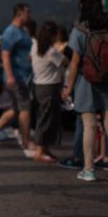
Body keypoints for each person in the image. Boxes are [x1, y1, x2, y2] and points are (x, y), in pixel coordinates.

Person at [62, 0, 108, 183]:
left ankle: (88, 170)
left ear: (82, 6)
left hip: (87, 81)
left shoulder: (80, 28)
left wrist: (68, 88)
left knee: (89, 126)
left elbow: (74, 62)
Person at [0, 4, 34, 157]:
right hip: (17, 76)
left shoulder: (22, 31)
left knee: (15, 109)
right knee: (25, 109)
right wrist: (10, 76)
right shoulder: (11, 32)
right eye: (27, 12)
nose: (30, 15)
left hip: (23, 76)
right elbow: (5, 55)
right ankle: (26, 141)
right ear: (19, 14)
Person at [30, 21, 69, 163]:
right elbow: (66, 62)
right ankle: (39, 151)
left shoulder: (35, 46)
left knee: (44, 117)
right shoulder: (51, 51)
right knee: (46, 119)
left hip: (39, 85)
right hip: (50, 87)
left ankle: (44, 148)